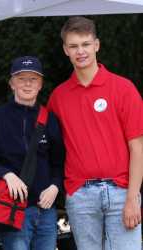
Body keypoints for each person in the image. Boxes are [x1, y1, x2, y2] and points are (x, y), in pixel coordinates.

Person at [47, 16, 143, 250]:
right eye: (73, 46)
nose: (80, 51)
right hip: (81, 196)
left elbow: (137, 148)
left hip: (121, 192)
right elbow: (43, 138)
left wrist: (133, 197)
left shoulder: (123, 89)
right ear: (65, 50)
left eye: (85, 44)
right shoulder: (59, 97)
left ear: (96, 45)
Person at [0, 56, 65, 250]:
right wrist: (7, 175)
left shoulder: (50, 119)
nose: (27, 84)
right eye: (21, 78)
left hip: (46, 212)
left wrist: (55, 187)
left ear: (41, 84)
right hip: (12, 210)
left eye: (33, 79)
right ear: (11, 83)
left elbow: (59, 163)